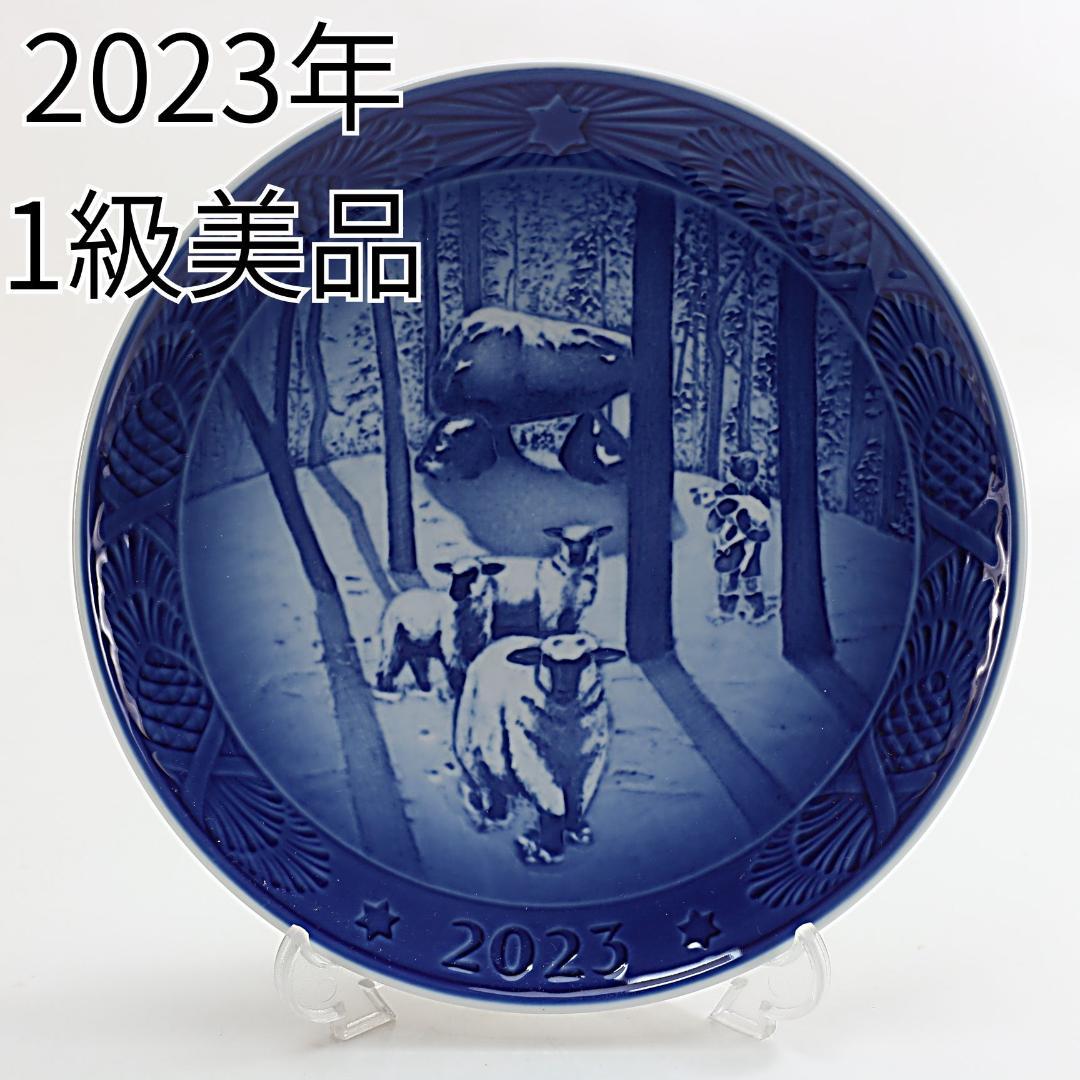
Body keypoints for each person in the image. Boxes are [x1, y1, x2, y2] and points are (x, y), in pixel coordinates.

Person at [707, 453, 773, 622]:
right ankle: (726, 609)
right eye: (745, 467)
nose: (748, 472)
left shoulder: (759, 494)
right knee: (729, 573)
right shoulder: (729, 491)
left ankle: (756, 609)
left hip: (750, 542)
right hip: (730, 540)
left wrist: (759, 533)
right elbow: (715, 518)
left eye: (751, 468)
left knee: (750, 571)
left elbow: (765, 519)